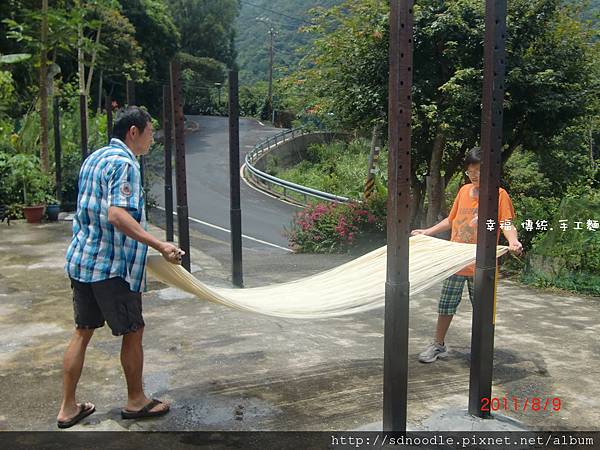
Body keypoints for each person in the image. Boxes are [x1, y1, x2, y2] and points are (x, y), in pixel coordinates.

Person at [57, 106, 184, 428]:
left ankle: (68, 407)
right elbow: (117, 215)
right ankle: (136, 400)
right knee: (133, 331)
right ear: (133, 132)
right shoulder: (125, 164)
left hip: (82, 260)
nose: (152, 139)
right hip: (111, 267)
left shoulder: (95, 158)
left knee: (82, 332)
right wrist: (160, 244)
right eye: (150, 132)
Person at [412, 147, 523, 363]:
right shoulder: (464, 191)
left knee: (482, 310)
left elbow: (506, 223)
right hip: (456, 262)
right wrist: (428, 231)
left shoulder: (499, 195)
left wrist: (512, 241)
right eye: (471, 171)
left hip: (482, 264)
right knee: (446, 306)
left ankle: (481, 350)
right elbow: (451, 220)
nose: (474, 176)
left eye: (479, 171)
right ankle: (438, 345)